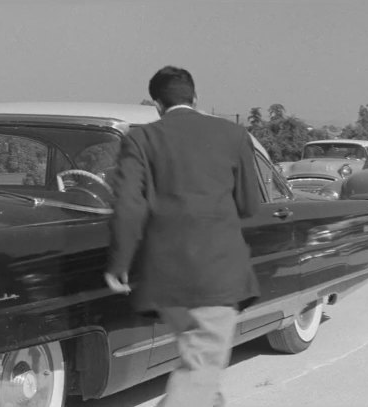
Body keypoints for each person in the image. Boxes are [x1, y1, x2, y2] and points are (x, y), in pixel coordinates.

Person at [104, 66, 261, 407]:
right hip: (217, 275)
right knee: (201, 368)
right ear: (196, 97)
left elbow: (129, 206)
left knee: (201, 365)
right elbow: (250, 205)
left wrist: (119, 263)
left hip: (165, 281)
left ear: (157, 104)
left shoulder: (140, 139)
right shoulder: (232, 134)